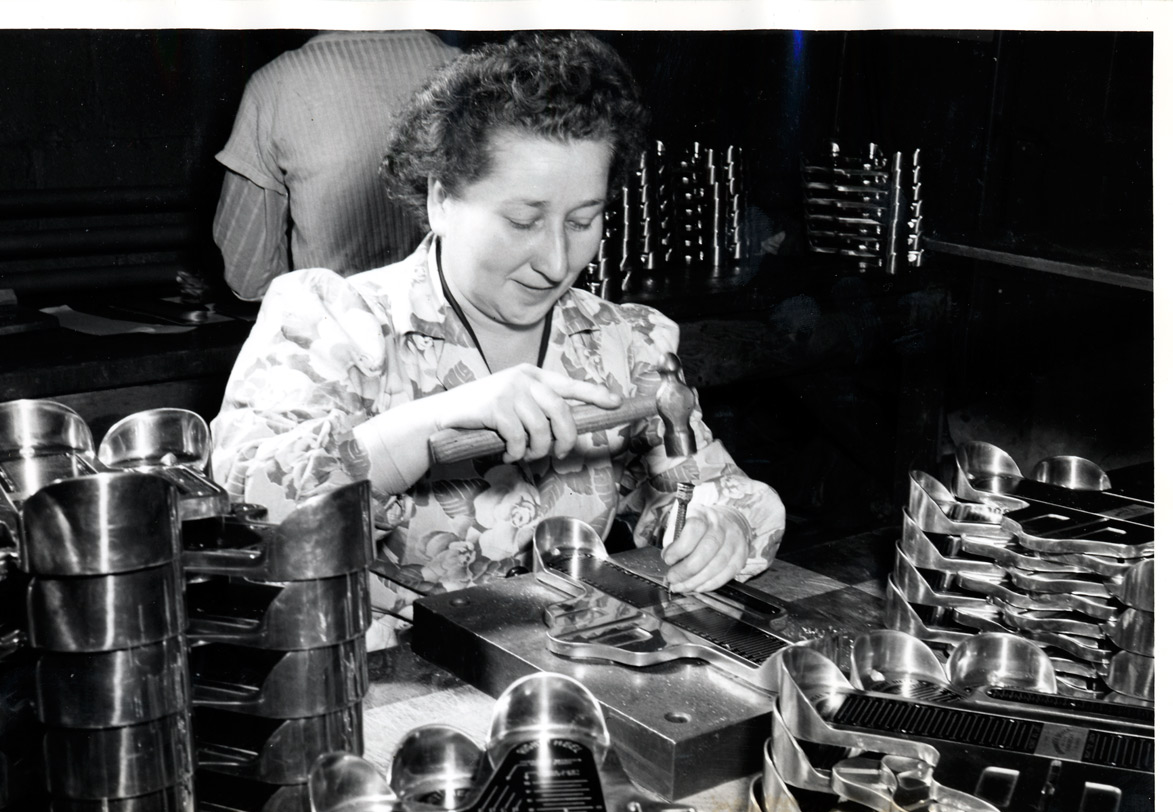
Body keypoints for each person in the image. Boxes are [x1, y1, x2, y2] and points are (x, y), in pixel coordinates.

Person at [212, 32, 786, 647]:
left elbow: (717, 487)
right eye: (522, 221)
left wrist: (721, 524)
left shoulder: (626, 343)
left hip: (569, 680)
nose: (557, 261)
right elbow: (243, 519)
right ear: (441, 199)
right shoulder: (332, 323)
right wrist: (426, 428)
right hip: (388, 693)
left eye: (583, 220)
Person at [212, 30, 459, 299]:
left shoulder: (275, 83)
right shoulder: (461, 68)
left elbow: (248, 273)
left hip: (332, 330)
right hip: (455, 330)